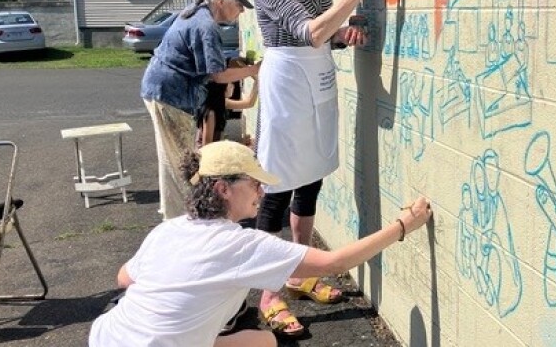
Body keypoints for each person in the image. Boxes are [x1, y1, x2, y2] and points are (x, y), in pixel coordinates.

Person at [88, 140, 433, 347]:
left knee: (264, 340)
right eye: (254, 184)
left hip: (107, 337)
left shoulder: (170, 229)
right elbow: (336, 264)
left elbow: (124, 278)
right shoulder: (240, 245)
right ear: (223, 189)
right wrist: (405, 225)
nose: (261, 192)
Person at [247, 0, 383, 335]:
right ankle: (269, 293)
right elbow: (307, 31)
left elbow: (327, 30)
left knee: (312, 177)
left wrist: (346, 32)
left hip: (319, 75)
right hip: (287, 83)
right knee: (278, 186)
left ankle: (300, 274)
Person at [141, 0, 260, 220]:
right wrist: (254, 70)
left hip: (162, 90)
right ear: (221, 2)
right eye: (238, 5)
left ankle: (177, 216)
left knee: (174, 158)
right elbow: (217, 75)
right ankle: (181, 221)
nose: (240, 12)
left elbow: (202, 62)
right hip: (170, 96)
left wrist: (235, 64)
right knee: (180, 162)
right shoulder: (206, 26)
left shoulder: (195, 13)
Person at [196, 56, 259, 147]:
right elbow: (207, 147)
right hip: (207, 158)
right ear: (221, 88)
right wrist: (239, 145)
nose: (233, 86)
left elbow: (249, 103)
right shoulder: (210, 113)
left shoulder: (221, 102)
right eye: (230, 84)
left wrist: (256, 80)